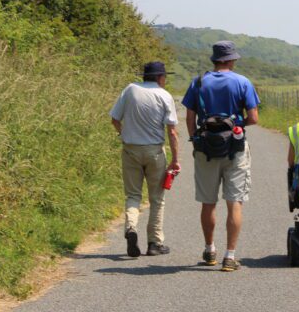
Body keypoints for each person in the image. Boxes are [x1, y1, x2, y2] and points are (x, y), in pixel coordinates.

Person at [182, 41, 260, 272]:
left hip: (205, 147)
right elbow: (254, 118)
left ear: (215, 59)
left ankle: (210, 249)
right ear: (230, 59)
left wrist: (196, 138)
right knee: (234, 202)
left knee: (208, 202)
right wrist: (236, 125)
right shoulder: (242, 82)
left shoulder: (197, 82)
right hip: (234, 147)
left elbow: (189, 117)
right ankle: (230, 256)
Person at [110, 61, 180, 257]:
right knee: (157, 199)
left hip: (130, 149)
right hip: (155, 152)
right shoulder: (164, 96)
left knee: (133, 195)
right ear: (159, 77)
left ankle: (131, 227)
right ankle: (154, 243)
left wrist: (124, 135)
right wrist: (175, 159)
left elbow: (115, 119)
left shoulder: (130, 90)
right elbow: (172, 131)